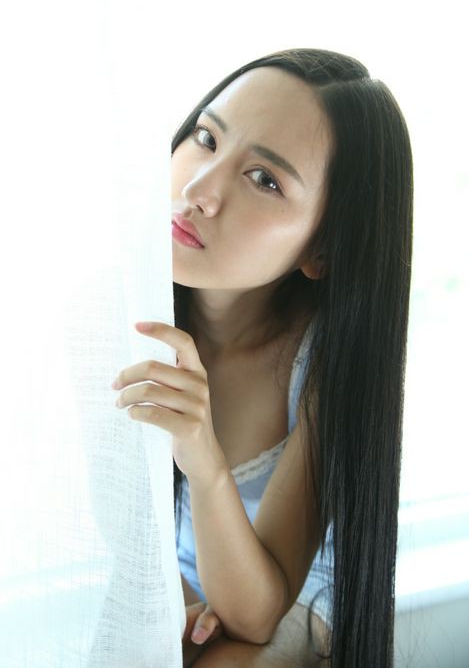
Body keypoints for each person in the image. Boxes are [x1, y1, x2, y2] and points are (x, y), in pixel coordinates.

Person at [115, 48, 413, 667]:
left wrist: (203, 458)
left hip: (299, 595)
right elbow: (129, 544)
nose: (198, 190)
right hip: (183, 578)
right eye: (206, 138)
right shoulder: (108, 318)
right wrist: (179, 610)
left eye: (265, 179)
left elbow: (257, 613)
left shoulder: (321, 362)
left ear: (321, 250)